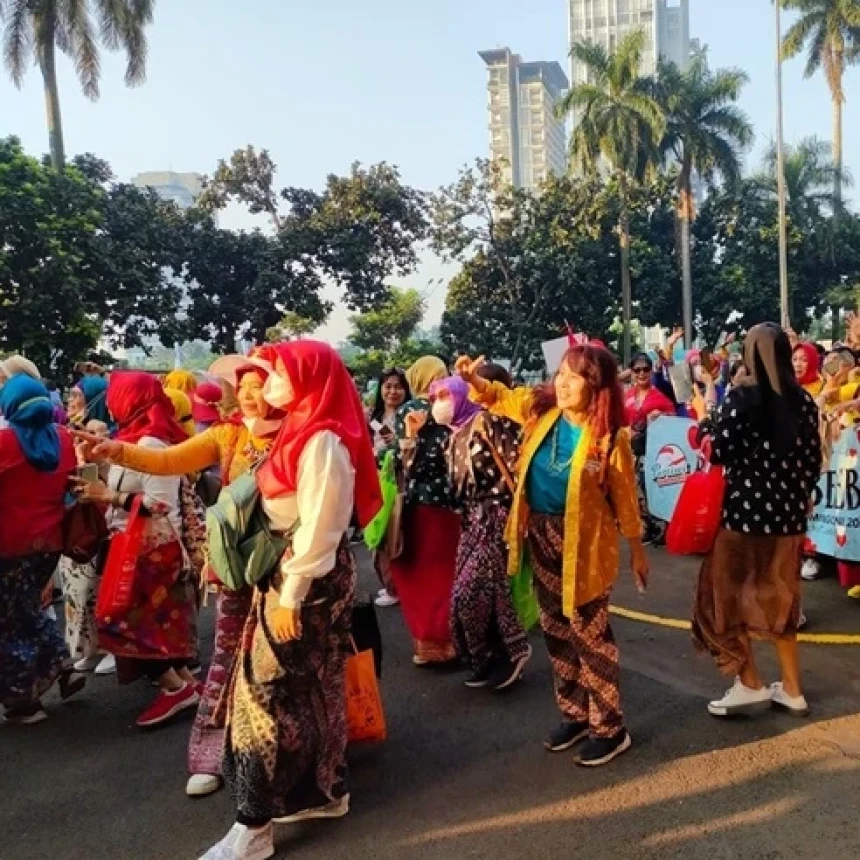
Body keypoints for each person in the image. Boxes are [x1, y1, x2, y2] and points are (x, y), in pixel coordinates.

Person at [201, 340, 381, 860]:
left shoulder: (322, 440)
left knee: (261, 698)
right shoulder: (300, 427)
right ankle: (324, 792)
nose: (267, 383)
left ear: (307, 380)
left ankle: (253, 827)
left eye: (277, 373)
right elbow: (248, 426)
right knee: (312, 687)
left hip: (305, 582)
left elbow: (323, 529)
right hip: (289, 578)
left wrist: (292, 595)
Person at [82, 355, 284, 797]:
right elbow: (172, 461)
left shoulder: (303, 437)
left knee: (285, 669)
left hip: (290, 573)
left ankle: (295, 759)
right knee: (226, 661)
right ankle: (216, 756)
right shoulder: (226, 433)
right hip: (237, 569)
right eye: (242, 384)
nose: (248, 394)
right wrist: (114, 450)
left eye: (259, 384)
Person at [460, 346, 647, 767]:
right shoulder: (540, 415)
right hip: (540, 535)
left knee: (590, 632)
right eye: (560, 373)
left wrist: (637, 551)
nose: (562, 383)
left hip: (586, 547)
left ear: (595, 386)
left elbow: (625, 500)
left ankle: (610, 727)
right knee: (555, 629)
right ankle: (575, 714)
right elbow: (498, 396)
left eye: (574, 377)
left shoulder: (609, 438)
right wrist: (473, 381)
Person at [693, 323, 821, 719]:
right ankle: (793, 689)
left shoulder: (743, 398)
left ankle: (749, 683)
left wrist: (703, 419)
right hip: (788, 522)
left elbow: (717, 451)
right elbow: (814, 461)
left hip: (743, 520)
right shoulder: (803, 401)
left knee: (723, 600)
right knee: (781, 599)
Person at [73, 372, 199, 728]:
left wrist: (108, 495)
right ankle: (184, 684)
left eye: (117, 395)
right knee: (153, 624)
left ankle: (174, 688)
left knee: (125, 623)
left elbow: (159, 504)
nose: (111, 403)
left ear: (130, 399)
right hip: (133, 544)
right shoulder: (132, 438)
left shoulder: (154, 444)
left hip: (150, 549)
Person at [430, 375, 532, 690]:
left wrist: (522, 513)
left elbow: (517, 463)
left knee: (472, 589)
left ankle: (513, 651)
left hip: (497, 515)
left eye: (445, 395)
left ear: (461, 395)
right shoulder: (452, 437)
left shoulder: (487, 423)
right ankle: (492, 656)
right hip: (471, 521)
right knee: (477, 594)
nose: (439, 403)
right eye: (434, 398)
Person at [0, 375, 85, 724]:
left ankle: (25, 701)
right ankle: (61, 663)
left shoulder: (5, 442)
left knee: (11, 624)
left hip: (7, 547)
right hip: (48, 545)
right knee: (28, 611)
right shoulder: (63, 439)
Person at [390, 356, 461, 666]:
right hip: (442, 502)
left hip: (419, 501)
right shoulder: (433, 409)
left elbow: (402, 458)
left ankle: (427, 644)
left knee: (422, 574)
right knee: (442, 573)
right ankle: (443, 642)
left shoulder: (412, 409)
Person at [59, 418, 115, 675]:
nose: (88, 438)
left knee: (101, 594)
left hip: (104, 534)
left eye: (96, 433)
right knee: (78, 596)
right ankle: (89, 649)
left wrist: (86, 462)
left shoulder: (112, 461)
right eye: (85, 433)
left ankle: (110, 649)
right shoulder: (67, 457)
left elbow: (94, 492)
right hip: (76, 536)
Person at [367, 367, 411, 608]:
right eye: (388, 386)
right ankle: (391, 584)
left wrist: (394, 447)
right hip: (377, 481)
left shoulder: (409, 414)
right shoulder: (374, 417)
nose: (393, 391)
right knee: (378, 533)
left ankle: (397, 588)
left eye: (398, 386)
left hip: (400, 481)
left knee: (395, 533)